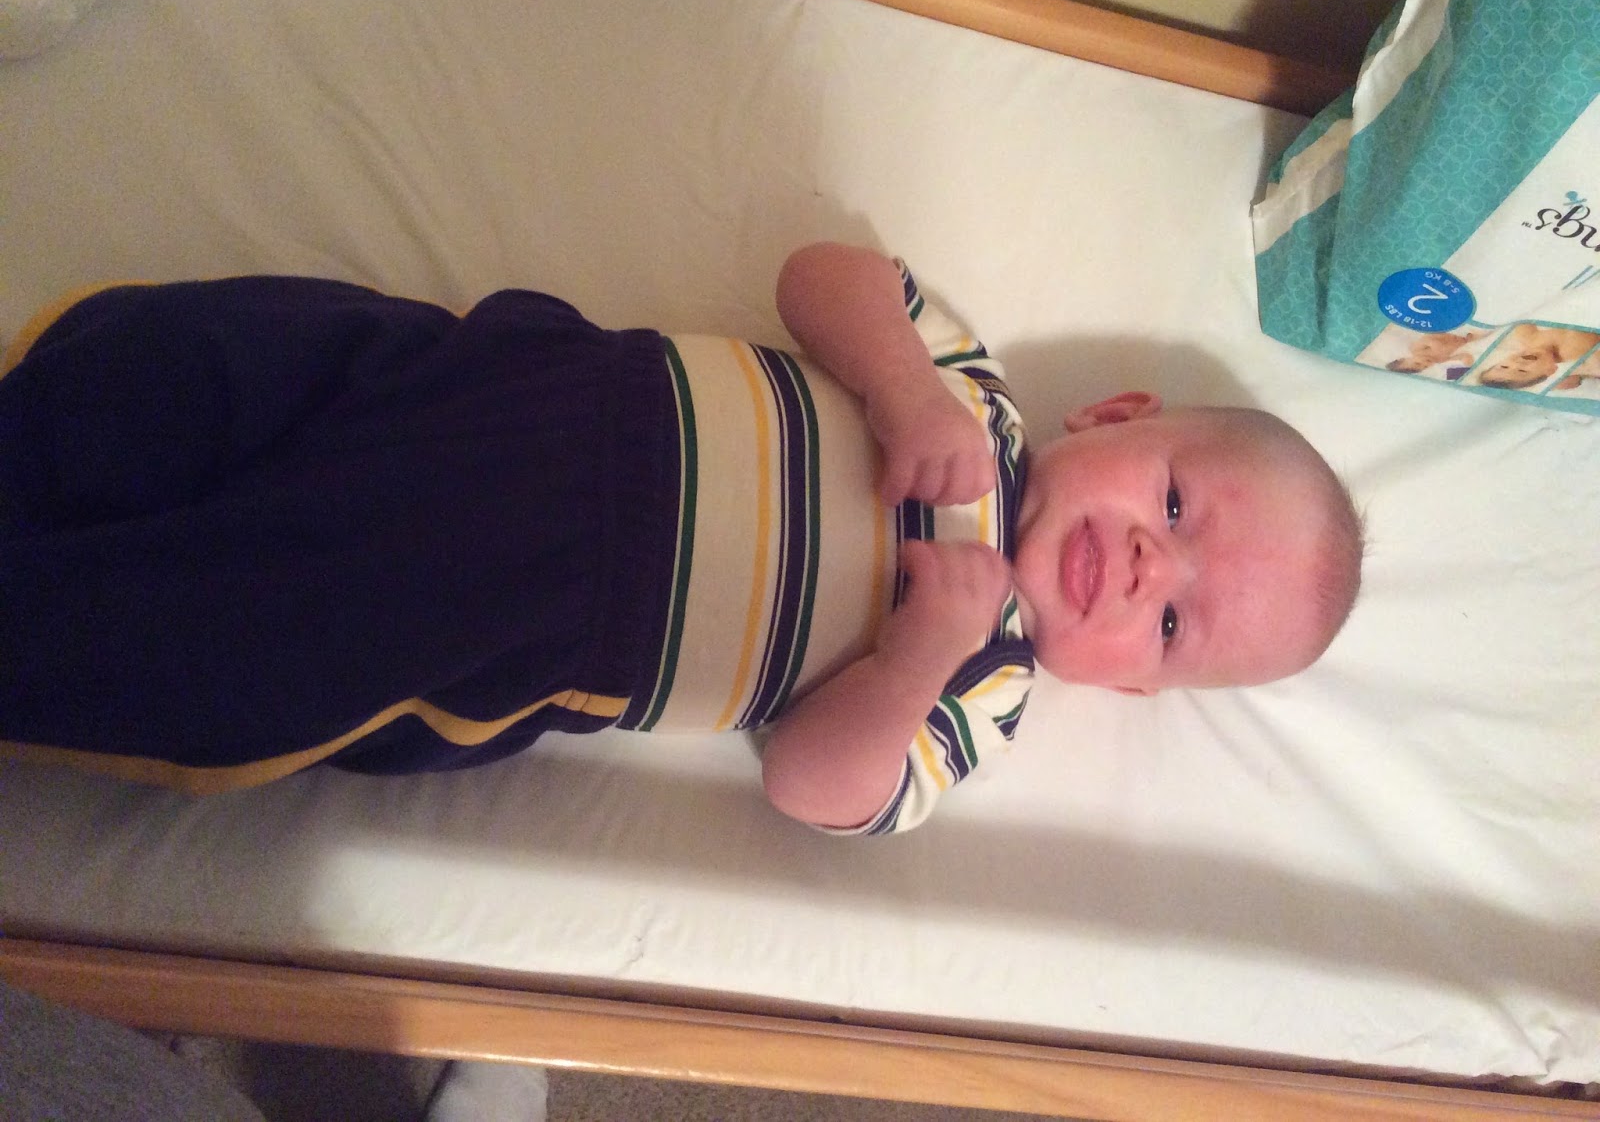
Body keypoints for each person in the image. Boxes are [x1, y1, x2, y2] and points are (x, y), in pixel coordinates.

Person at [0, 243, 1363, 834]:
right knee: (254, 358)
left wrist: (914, 655)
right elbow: (820, 278)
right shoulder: (971, 390)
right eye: (1174, 507)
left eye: (1171, 623)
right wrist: (901, 389)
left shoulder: (982, 691)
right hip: (539, 392)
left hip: (543, 608)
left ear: (1129, 685)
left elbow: (813, 787)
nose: (1148, 568)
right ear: (1116, 414)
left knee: (250, 638)